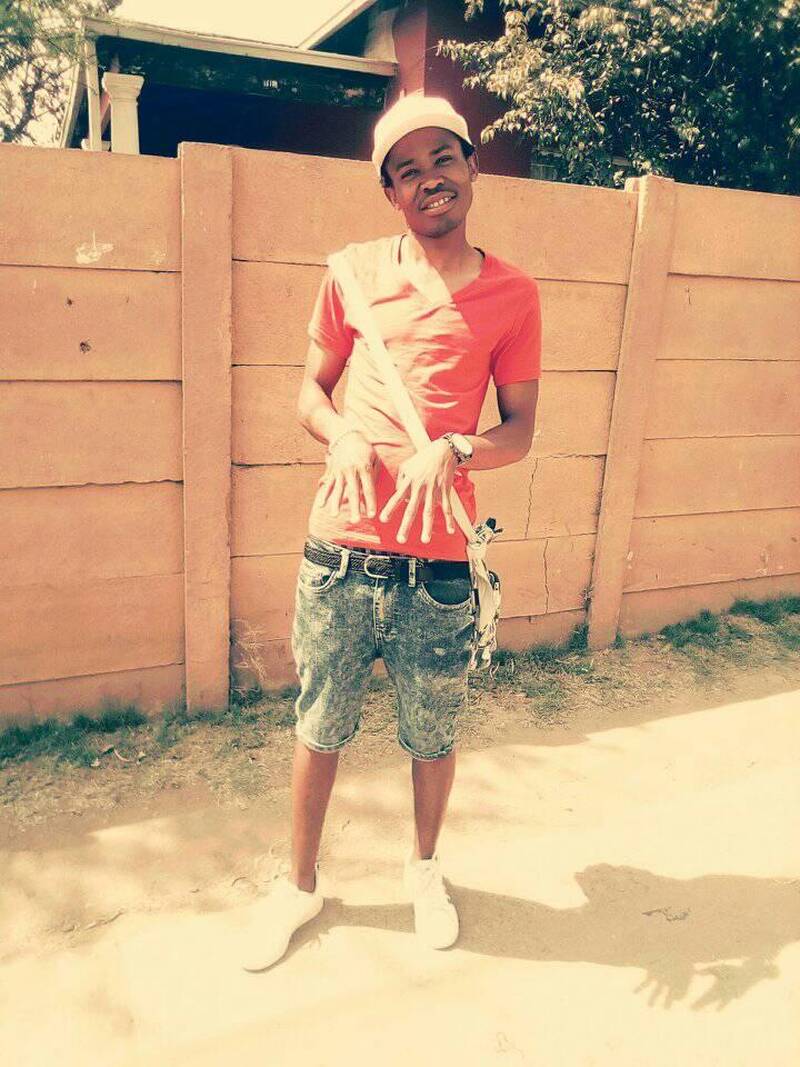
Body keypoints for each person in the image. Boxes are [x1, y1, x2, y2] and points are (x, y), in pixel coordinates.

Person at [241, 94, 541, 972]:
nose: (428, 179)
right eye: (405, 170)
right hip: (340, 550)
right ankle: (300, 886)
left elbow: (519, 429)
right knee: (319, 726)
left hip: (439, 566)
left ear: (472, 167)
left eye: (442, 159)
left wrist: (455, 446)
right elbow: (310, 391)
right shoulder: (352, 273)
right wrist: (340, 433)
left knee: (432, 734)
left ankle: (423, 872)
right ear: (389, 193)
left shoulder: (515, 294)